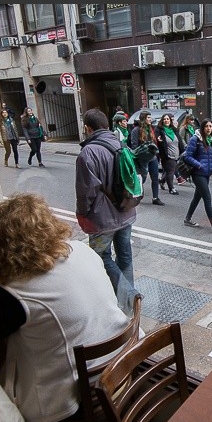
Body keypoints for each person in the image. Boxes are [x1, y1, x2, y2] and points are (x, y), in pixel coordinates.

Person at [0, 193, 133, 422]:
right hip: (118, 367)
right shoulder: (81, 250)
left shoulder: (14, 290)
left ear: (0, 243)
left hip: (68, 399)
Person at [75, 108, 137, 295]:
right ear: (107, 125)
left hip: (102, 219)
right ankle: (128, 296)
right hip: (126, 211)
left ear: (87, 128)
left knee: (102, 257)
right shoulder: (122, 145)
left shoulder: (88, 153)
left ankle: (128, 296)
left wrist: (82, 213)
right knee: (125, 256)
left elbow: (86, 192)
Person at [182, 119, 212, 234]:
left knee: (197, 197)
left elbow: (210, 157)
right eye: (206, 126)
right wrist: (199, 165)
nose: (209, 128)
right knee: (207, 198)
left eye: (210, 126)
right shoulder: (195, 139)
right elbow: (187, 156)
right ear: (202, 127)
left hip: (206, 173)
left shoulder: (210, 140)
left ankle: (187, 219)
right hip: (198, 173)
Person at [129, 110, 164, 206]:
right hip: (142, 159)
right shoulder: (136, 130)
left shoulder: (151, 129)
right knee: (142, 178)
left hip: (153, 158)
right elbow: (134, 146)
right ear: (144, 119)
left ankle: (155, 198)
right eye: (148, 117)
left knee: (155, 178)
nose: (150, 119)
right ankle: (137, 194)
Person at [154, 112, 184, 195]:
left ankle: (161, 180)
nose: (166, 120)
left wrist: (183, 150)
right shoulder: (159, 129)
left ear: (170, 120)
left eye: (167, 119)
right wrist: (158, 139)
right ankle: (171, 188)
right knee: (170, 171)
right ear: (162, 121)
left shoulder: (174, 129)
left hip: (176, 154)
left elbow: (179, 140)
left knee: (170, 170)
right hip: (167, 155)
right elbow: (156, 138)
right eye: (164, 119)